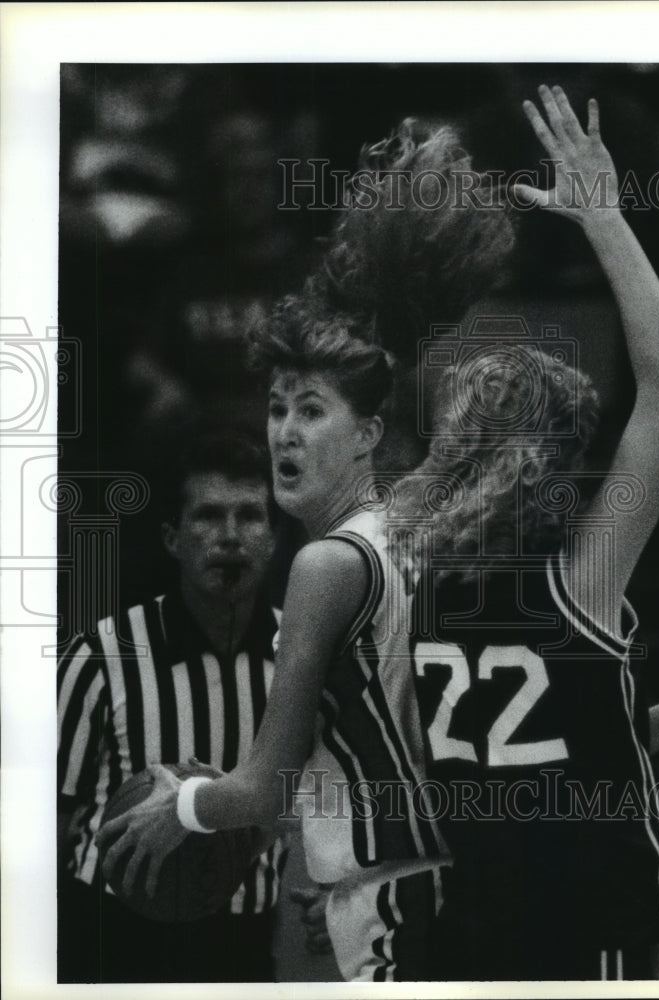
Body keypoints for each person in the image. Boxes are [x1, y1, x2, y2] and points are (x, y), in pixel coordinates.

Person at [390, 85, 659, 980]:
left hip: (460, 930)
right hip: (571, 935)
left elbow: (542, 742)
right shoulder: (580, 580)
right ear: (548, 462)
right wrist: (602, 215)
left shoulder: (421, 581)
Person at [99, 318, 452, 982]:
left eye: (312, 411)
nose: (284, 430)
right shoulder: (404, 536)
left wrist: (179, 809)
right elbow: (397, 747)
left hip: (401, 906)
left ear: (368, 435)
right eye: (277, 407)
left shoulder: (326, 562)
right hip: (428, 888)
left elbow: (260, 790)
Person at [57, 430, 289, 983]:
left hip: (243, 941)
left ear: (275, 538)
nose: (230, 536)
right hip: (112, 934)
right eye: (208, 515)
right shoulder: (99, 655)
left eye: (250, 516)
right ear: (171, 538)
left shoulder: (303, 656)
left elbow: (316, 799)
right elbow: (47, 823)